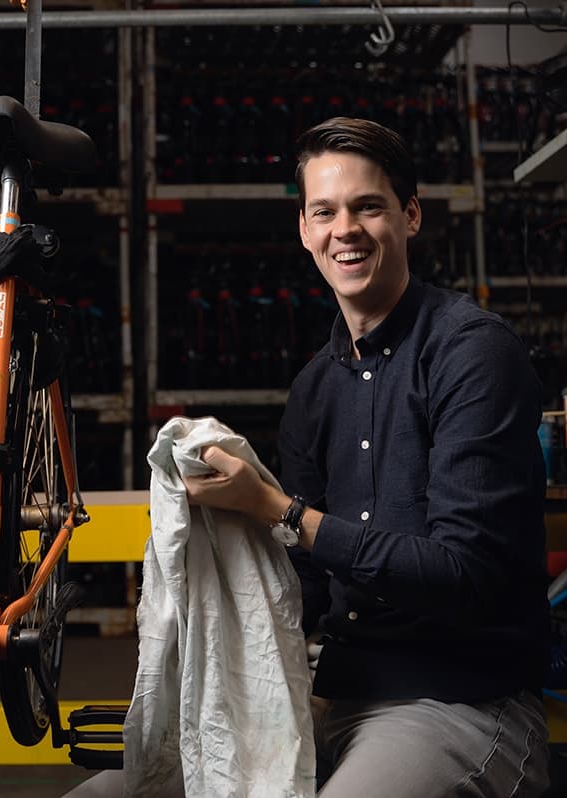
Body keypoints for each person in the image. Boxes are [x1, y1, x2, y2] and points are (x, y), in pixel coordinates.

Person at [183, 116, 551, 796]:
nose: (343, 229)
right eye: (324, 211)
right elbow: (309, 586)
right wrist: (205, 581)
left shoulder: (472, 354)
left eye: (368, 207)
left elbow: (465, 574)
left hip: (461, 702)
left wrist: (280, 511)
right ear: (304, 229)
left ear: (410, 216)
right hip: (336, 697)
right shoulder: (314, 387)